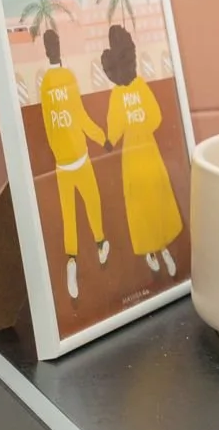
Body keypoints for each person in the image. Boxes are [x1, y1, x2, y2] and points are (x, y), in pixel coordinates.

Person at [101, 23, 183, 279]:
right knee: (143, 201)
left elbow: (125, 123)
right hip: (140, 151)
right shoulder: (126, 91)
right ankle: (152, 250)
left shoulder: (129, 89)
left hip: (141, 151)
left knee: (150, 198)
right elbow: (147, 118)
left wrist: (121, 135)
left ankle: (161, 247)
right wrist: (120, 135)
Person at [38, 28, 110, 301]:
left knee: (69, 213)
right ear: (58, 49)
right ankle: (100, 243)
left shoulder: (45, 84)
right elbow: (80, 116)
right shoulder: (67, 77)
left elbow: (48, 125)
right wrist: (101, 137)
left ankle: (71, 259)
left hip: (62, 164)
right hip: (80, 157)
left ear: (46, 51)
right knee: (93, 201)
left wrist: (57, 152)